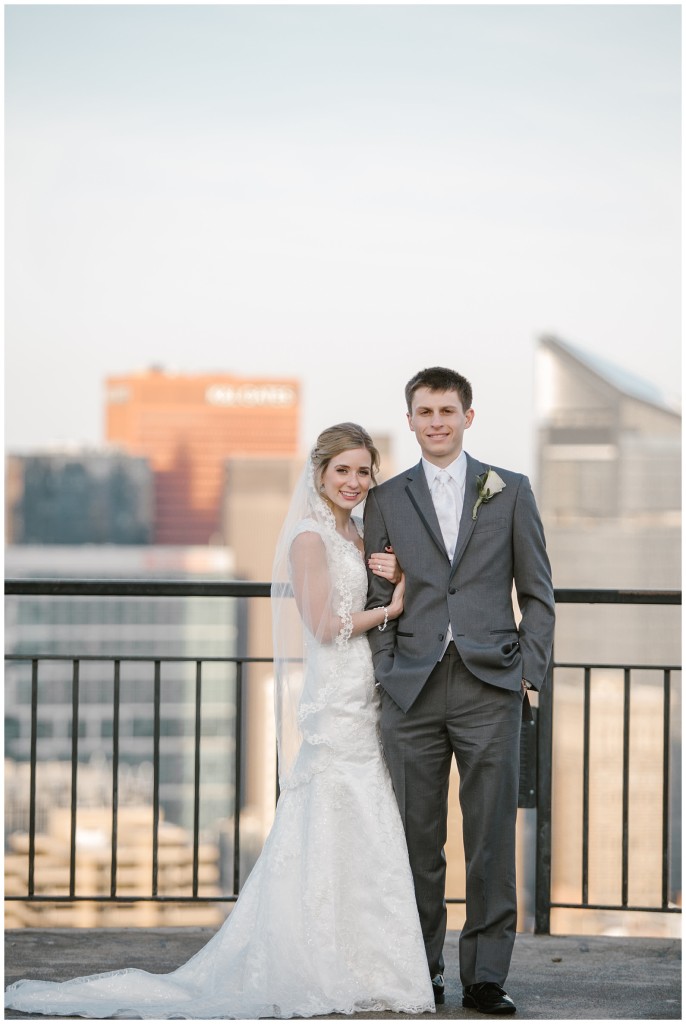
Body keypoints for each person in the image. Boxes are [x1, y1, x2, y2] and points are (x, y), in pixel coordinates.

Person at [5, 422, 435, 1020]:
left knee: (365, 815)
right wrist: (389, 609)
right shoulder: (310, 539)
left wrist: (390, 576)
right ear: (320, 474)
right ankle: (316, 958)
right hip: (336, 689)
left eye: (364, 471)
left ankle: (365, 958)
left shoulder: (360, 534)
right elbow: (320, 624)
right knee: (336, 806)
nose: (355, 482)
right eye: (344, 470)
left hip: (366, 688)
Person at [364, 367, 555, 1015]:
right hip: (410, 690)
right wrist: (387, 671)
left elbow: (537, 593)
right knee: (416, 841)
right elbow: (373, 596)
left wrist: (526, 670)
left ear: (468, 416)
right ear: (411, 419)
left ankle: (484, 978)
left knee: (490, 839)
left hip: (489, 685)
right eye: (425, 411)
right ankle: (420, 972)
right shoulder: (386, 499)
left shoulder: (510, 491)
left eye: (448, 409)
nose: (436, 421)